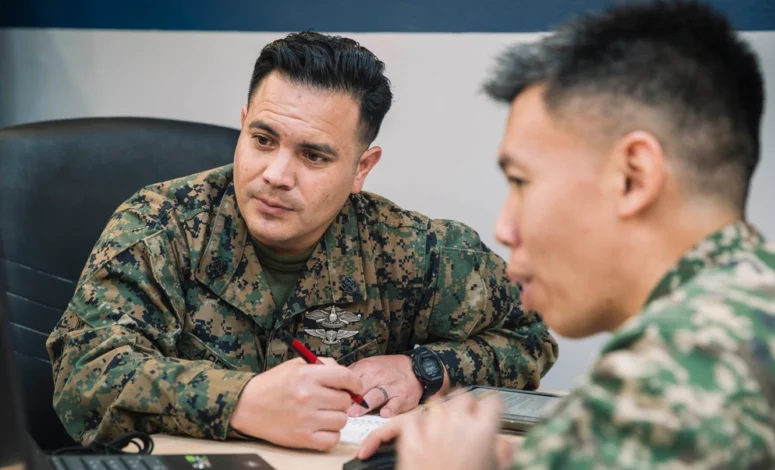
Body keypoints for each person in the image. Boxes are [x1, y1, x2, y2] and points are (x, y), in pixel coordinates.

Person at [46, 31, 558, 452]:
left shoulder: (411, 249)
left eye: (314, 156)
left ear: (361, 168)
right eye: (263, 140)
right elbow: (83, 376)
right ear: (243, 126)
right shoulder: (161, 226)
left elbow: (530, 335)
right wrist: (240, 400)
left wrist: (426, 369)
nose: (276, 175)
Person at [358, 1, 775, 468]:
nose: (504, 227)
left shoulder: (679, 370)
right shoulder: (755, 300)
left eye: (521, 181)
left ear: (632, 178)